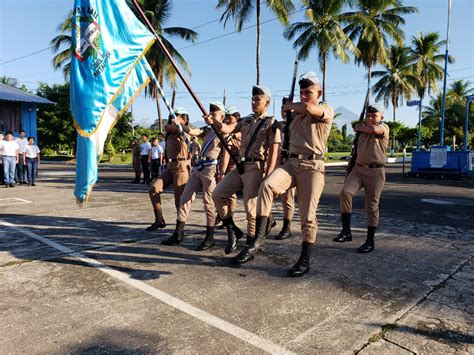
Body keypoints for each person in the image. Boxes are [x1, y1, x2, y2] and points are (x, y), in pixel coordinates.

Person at [232, 72, 334, 278]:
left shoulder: (324, 108)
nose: (305, 96)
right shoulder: (294, 115)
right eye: (302, 92)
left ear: (319, 93)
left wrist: (290, 106)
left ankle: (304, 260)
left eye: (309, 92)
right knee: (267, 186)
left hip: (312, 166)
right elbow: (284, 130)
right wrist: (285, 115)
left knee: (307, 216)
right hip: (291, 163)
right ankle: (259, 239)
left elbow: (308, 108)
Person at [211, 86, 281, 254]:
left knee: (250, 208)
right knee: (218, 194)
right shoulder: (246, 120)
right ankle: (233, 230)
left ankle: (250, 244)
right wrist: (213, 121)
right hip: (241, 166)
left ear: (267, 102)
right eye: (252, 99)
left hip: (256, 167)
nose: (253, 102)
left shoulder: (272, 123)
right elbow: (227, 129)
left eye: (257, 99)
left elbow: (274, 151)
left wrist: (268, 176)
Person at [161, 102, 227, 250]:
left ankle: (210, 237)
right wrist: (180, 125)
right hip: (199, 167)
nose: (210, 115)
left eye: (214, 113)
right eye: (210, 113)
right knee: (185, 198)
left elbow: (226, 149)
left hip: (211, 168)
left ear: (222, 116)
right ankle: (178, 233)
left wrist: (221, 172)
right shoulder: (207, 129)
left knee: (208, 203)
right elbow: (193, 131)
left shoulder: (223, 131)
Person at [334, 103, 389, 254]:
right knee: (345, 193)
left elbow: (373, 129)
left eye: (374, 116)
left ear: (381, 117)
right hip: (358, 168)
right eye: (368, 116)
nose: (371, 118)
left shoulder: (383, 128)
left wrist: (357, 126)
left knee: (371, 206)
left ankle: (370, 241)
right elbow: (356, 151)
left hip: (375, 171)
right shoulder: (361, 132)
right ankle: (346, 231)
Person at [146, 108, 191, 231]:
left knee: (179, 199)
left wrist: (176, 126)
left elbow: (172, 128)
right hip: (170, 166)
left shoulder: (184, 132)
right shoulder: (171, 134)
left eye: (177, 116)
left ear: (184, 120)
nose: (173, 118)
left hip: (181, 166)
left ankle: (179, 229)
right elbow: (168, 128)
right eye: (172, 116)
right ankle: (159, 219)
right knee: (153, 189)